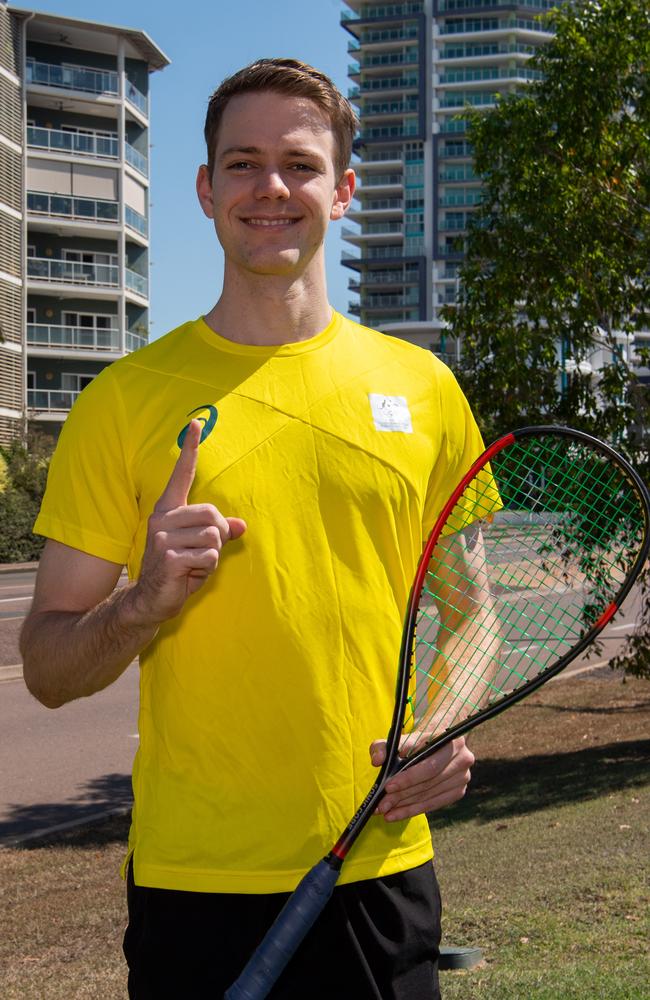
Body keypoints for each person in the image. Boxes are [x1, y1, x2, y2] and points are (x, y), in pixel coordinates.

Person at [21, 59, 482, 999]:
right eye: (242, 163)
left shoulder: (424, 390)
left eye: (301, 165)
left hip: (378, 869)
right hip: (195, 884)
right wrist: (143, 603)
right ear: (204, 187)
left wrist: (446, 722)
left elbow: (472, 613)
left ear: (344, 191)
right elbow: (47, 666)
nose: (271, 187)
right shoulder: (123, 402)